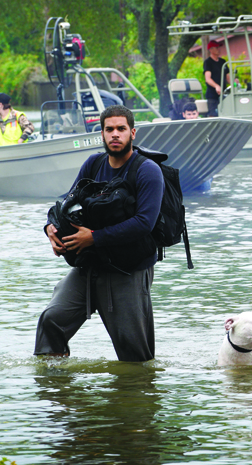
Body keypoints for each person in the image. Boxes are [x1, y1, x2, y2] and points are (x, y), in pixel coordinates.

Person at [34, 105, 164, 362]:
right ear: (102, 134)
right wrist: (50, 227)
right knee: (52, 320)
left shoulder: (147, 171)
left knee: (134, 352)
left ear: (132, 133)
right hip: (89, 265)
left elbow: (144, 223)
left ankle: (137, 396)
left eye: (121, 129)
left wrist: (94, 237)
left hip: (128, 269)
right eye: (109, 129)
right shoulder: (93, 164)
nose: (115, 134)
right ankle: (56, 390)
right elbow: (67, 204)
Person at [203, 40, 230, 117]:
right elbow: (207, 79)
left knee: (226, 114)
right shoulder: (208, 62)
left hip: (223, 95)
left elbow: (228, 78)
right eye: (216, 47)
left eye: (219, 47)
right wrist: (216, 86)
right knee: (213, 115)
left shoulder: (223, 61)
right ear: (211, 50)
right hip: (212, 95)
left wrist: (235, 82)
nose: (219, 49)